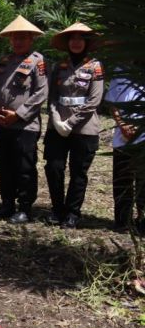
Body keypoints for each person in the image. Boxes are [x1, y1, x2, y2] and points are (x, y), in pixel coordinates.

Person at [0, 16, 49, 224]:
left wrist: (19, 114)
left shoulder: (37, 61)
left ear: (31, 39)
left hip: (25, 125)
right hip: (4, 123)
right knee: (3, 164)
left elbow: (41, 92)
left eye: (23, 38)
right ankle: (7, 204)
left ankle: (24, 208)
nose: (18, 42)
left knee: (24, 167)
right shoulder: (5, 61)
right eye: (15, 38)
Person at [44, 23, 104, 229]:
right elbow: (52, 97)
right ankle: (57, 209)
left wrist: (70, 122)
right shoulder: (59, 66)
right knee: (54, 167)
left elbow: (94, 100)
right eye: (72, 38)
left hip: (84, 128)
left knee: (78, 172)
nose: (76, 42)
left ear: (86, 43)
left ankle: (72, 213)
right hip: (57, 126)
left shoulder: (95, 66)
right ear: (68, 42)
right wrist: (56, 119)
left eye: (80, 39)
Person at [106, 68, 145, 233]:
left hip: (143, 137)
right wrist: (122, 124)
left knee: (143, 181)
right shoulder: (119, 72)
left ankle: (142, 220)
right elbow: (112, 103)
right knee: (122, 180)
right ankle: (122, 221)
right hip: (122, 137)